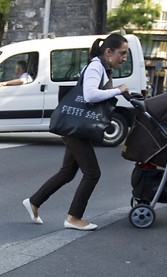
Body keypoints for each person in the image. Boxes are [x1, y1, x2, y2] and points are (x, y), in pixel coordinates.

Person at [22, 34, 129, 230]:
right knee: (92, 173)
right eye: (122, 53)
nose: (124, 58)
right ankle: (73, 217)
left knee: (68, 172)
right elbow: (89, 95)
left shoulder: (102, 68)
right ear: (108, 52)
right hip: (77, 127)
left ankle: (34, 201)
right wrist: (118, 90)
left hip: (77, 126)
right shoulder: (97, 66)